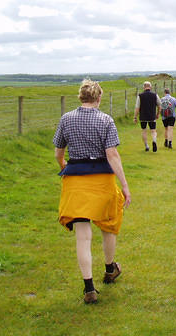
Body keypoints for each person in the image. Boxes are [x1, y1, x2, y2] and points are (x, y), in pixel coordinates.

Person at [53, 79, 131, 304]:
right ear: (98, 98)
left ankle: (89, 287)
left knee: (82, 236)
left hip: (75, 180)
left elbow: (58, 152)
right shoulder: (105, 119)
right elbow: (112, 154)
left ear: (81, 97)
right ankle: (109, 270)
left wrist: (63, 166)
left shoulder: (66, 119)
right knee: (109, 225)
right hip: (102, 181)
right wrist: (124, 185)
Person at [133, 81, 161, 152]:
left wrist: (135, 117)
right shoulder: (155, 95)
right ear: (150, 87)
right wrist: (158, 114)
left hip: (143, 117)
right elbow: (160, 106)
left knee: (144, 131)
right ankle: (154, 141)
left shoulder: (140, 96)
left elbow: (137, 108)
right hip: (152, 116)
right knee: (153, 131)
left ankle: (146, 146)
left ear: (144, 87)